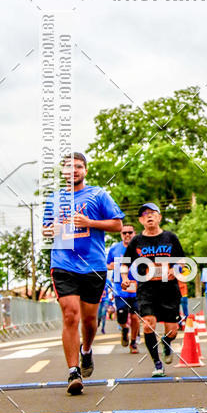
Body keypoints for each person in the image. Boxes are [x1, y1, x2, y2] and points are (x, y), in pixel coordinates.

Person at [42, 152, 124, 395]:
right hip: (63, 263)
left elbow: (117, 224)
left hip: (93, 265)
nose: (73, 170)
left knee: (89, 320)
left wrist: (89, 223)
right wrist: (52, 230)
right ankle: (73, 371)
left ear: (85, 171)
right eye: (69, 167)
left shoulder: (98, 195)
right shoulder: (54, 199)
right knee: (70, 315)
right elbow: (45, 230)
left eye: (78, 166)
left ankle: (86, 350)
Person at [121, 203, 184, 377]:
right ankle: (157, 363)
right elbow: (125, 263)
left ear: (159, 217)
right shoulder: (136, 241)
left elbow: (182, 260)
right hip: (146, 289)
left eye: (152, 213)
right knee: (148, 324)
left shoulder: (170, 237)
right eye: (144, 214)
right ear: (141, 220)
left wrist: (175, 269)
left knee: (172, 330)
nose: (149, 216)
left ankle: (167, 341)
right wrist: (125, 278)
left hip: (169, 289)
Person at [107, 225, 140, 353]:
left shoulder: (140, 248)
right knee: (121, 315)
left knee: (135, 317)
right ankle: (125, 329)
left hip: (136, 287)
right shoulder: (114, 248)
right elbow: (107, 264)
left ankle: (133, 342)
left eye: (130, 232)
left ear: (134, 233)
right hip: (120, 288)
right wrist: (112, 266)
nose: (127, 235)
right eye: (124, 233)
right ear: (121, 234)